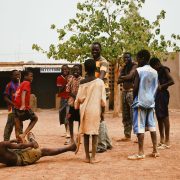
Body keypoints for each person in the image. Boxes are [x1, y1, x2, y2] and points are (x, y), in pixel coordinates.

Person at [128, 50, 159, 160]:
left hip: (140, 101)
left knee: (140, 127)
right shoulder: (155, 72)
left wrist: (135, 98)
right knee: (152, 126)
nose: (137, 60)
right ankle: (155, 150)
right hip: (151, 101)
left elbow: (135, 87)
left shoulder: (139, 70)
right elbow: (156, 87)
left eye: (138, 58)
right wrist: (152, 98)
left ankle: (141, 152)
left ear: (142, 58)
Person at [75, 59, 106, 163]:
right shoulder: (100, 82)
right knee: (95, 133)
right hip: (95, 110)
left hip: (84, 111)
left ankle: (87, 157)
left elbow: (79, 99)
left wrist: (77, 105)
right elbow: (103, 101)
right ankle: (93, 157)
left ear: (85, 69)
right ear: (96, 68)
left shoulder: (82, 82)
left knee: (86, 134)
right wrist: (103, 113)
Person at [0, 132, 77, 166]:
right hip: (22, 158)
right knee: (44, 151)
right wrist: (31, 144)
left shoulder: (2, 145)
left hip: (17, 156)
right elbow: (20, 146)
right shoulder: (2, 144)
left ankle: (31, 140)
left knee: (26, 146)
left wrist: (12, 141)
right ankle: (70, 148)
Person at [92, 42, 112, 153]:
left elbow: (101, 77)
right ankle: (107, 143)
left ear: (100, 50)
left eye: (96, 50)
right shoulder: (93, 61)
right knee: (101, 117)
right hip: (97, 91)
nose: (94, 51)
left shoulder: (103, 62)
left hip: (102, 91)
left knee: (100, 117)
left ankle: (101, 145)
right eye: (93, 50)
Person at [149, 57, 174, 149]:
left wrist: (162, 86)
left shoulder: (164, 69)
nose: (153, 68)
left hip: (163, 94)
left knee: (165, 116)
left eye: (153, 66)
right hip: (157, 95)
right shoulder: (156, 71)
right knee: (159, 117)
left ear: (158, 64)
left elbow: (172, 81)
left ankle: (167, 141)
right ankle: (162, 140)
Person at [14, 70, 38, 143]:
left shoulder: (21, 84)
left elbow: (17, 94)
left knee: (17, 127)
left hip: (16, 107)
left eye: (32, 76)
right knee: (35, 118)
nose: (32, 78)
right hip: (22, 107)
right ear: (25, 76)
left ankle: (19, 142)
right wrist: (23, 105)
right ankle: (24, 135)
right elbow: (23, 93)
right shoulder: (27, 83)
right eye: (31, 76)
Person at [117, 52, 137, 141]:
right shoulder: (124, 67)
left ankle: (138, 136)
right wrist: (126, 77)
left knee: (134, 114)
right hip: (124, 92)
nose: (126, 59)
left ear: (131, 57)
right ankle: (127, 135)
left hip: (132, 92)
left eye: (128, 57)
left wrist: (123, 78)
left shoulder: (134, 65)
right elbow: (118, 79)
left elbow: (130, 76)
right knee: (125, 115)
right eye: (124, 58)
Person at [3, 70, 23, 141]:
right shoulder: (9, 85)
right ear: (12, 76)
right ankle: (6, 142)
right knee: (10, 125)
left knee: (19, 125)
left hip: (19, 108)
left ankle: (20, 142)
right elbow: (5, 97)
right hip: (12, 108)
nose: (18, 76)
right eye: (16, 75)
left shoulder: (20, 85)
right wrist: (13, 104)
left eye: (19, 75)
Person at [66, 64, 83, 143]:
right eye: (74, 70)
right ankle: (72, 138)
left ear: (80, 71)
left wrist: (78, 97)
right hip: (72, 103)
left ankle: (78, 137)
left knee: (80, 120)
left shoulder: (83, 80)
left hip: (80, 104)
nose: (76, 72)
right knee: (70, 120)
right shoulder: (70, 79)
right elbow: (68, 90)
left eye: (77, 70)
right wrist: (75, 96)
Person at [57, 65, 71, 145]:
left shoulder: (72, 77)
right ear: (61, 70)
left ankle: (69, 136)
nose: (65, 70)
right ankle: (67, 132)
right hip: (63, 99)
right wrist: (66, 81)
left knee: (68, 117)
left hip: (70, 99)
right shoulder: (59, 78)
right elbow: (60, 90)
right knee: (64, 116)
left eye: (66, 69)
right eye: (63, 69)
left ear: (69, 70)